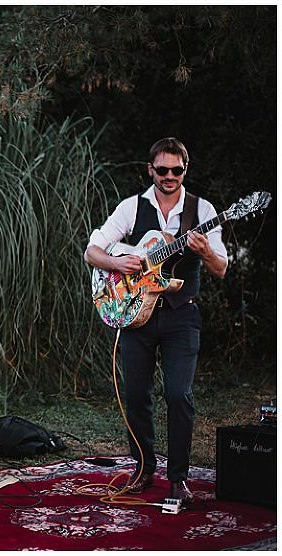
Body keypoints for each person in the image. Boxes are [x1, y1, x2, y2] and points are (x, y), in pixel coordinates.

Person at [84, 137, 227, 507]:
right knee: (137, 396)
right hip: (137, 316)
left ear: (185, 169)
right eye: (161, 170)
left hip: (183, 315)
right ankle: (144, 468)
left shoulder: (204, 210)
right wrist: (118, 263)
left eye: (176, 170)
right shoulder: (132, 207)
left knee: (178, 394)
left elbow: (222, 268)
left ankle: (178, 479)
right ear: (151, 169)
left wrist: (205, 251)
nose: (169, 176)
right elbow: (92, 250)